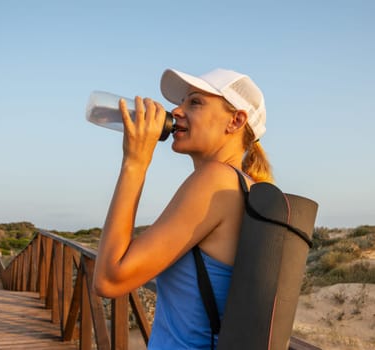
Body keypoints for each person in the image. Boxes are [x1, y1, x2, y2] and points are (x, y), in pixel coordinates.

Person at [92, 67, 273, 349]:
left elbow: (109, 280)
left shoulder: (216, 180)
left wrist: (135, 162)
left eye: (195, 102)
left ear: (236, 121)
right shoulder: (244, 186)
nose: (175, 111)